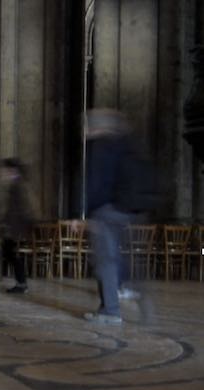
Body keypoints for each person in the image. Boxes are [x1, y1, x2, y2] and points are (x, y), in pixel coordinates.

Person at [83, 109, 152, 325]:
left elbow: (97, 182)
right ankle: (130, 289)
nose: (85, 130)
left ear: (96, 127)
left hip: (106, 211)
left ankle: (110, 311)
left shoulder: (102, 146)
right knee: (119, 257)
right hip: (127, 211)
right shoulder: (126, 145)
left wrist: (89, 214)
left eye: (87, 125)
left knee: (105, 261)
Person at [0, 158, 36, 294]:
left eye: (5, 170)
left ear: (12, 170)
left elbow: (18, 210)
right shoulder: (17, 185)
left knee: (5, 255)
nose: (3, 173)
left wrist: (8, 226)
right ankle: (19, 283)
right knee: (9, 256)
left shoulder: (17, 186)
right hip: (14, 228)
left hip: (13, 229)